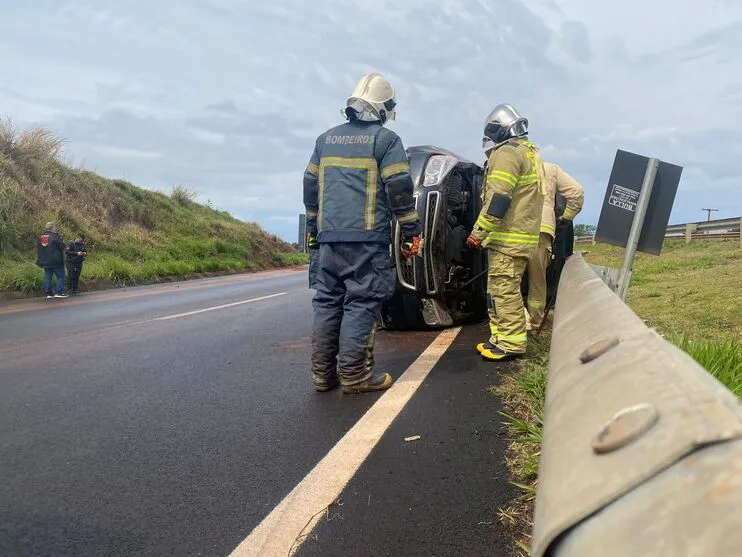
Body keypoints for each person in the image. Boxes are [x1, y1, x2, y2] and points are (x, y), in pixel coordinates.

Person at [303, 72, 422, 394]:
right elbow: (399, 189)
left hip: (328, 239)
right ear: (383, 109)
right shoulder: (384, 140)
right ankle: (355, 376)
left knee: (328, 302)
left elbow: (310, 187)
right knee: (362, 301)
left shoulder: (325, 140)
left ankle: (323, 376)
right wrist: (412, 230)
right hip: (366, 240)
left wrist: (313, 228)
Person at [466, 104, 545, 361]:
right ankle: (498, 337)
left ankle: (511, 344)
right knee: (497, 290)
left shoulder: (506, 154)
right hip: (520, 236)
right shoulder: (529, 152)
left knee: (504, 290)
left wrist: (478, 232)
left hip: (507, 237)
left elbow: (498, 198)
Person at [524, 162, 584, 332]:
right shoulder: (550, 168)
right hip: (543, 228)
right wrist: (566, 218)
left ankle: (521, 322)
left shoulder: (510, 165)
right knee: (538, 281)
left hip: (516, 228)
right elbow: (576, 192)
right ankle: (536, 323)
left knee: (510, 280)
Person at [35, 221, 68, 298]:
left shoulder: (41, 237)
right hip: (55, 260)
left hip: (44, 261)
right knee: (60, 276)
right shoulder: (55, 236)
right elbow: (62, 246)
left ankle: (48, 294)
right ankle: (59, 293)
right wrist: (62, 241)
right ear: (52, 228)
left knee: (47, 277)